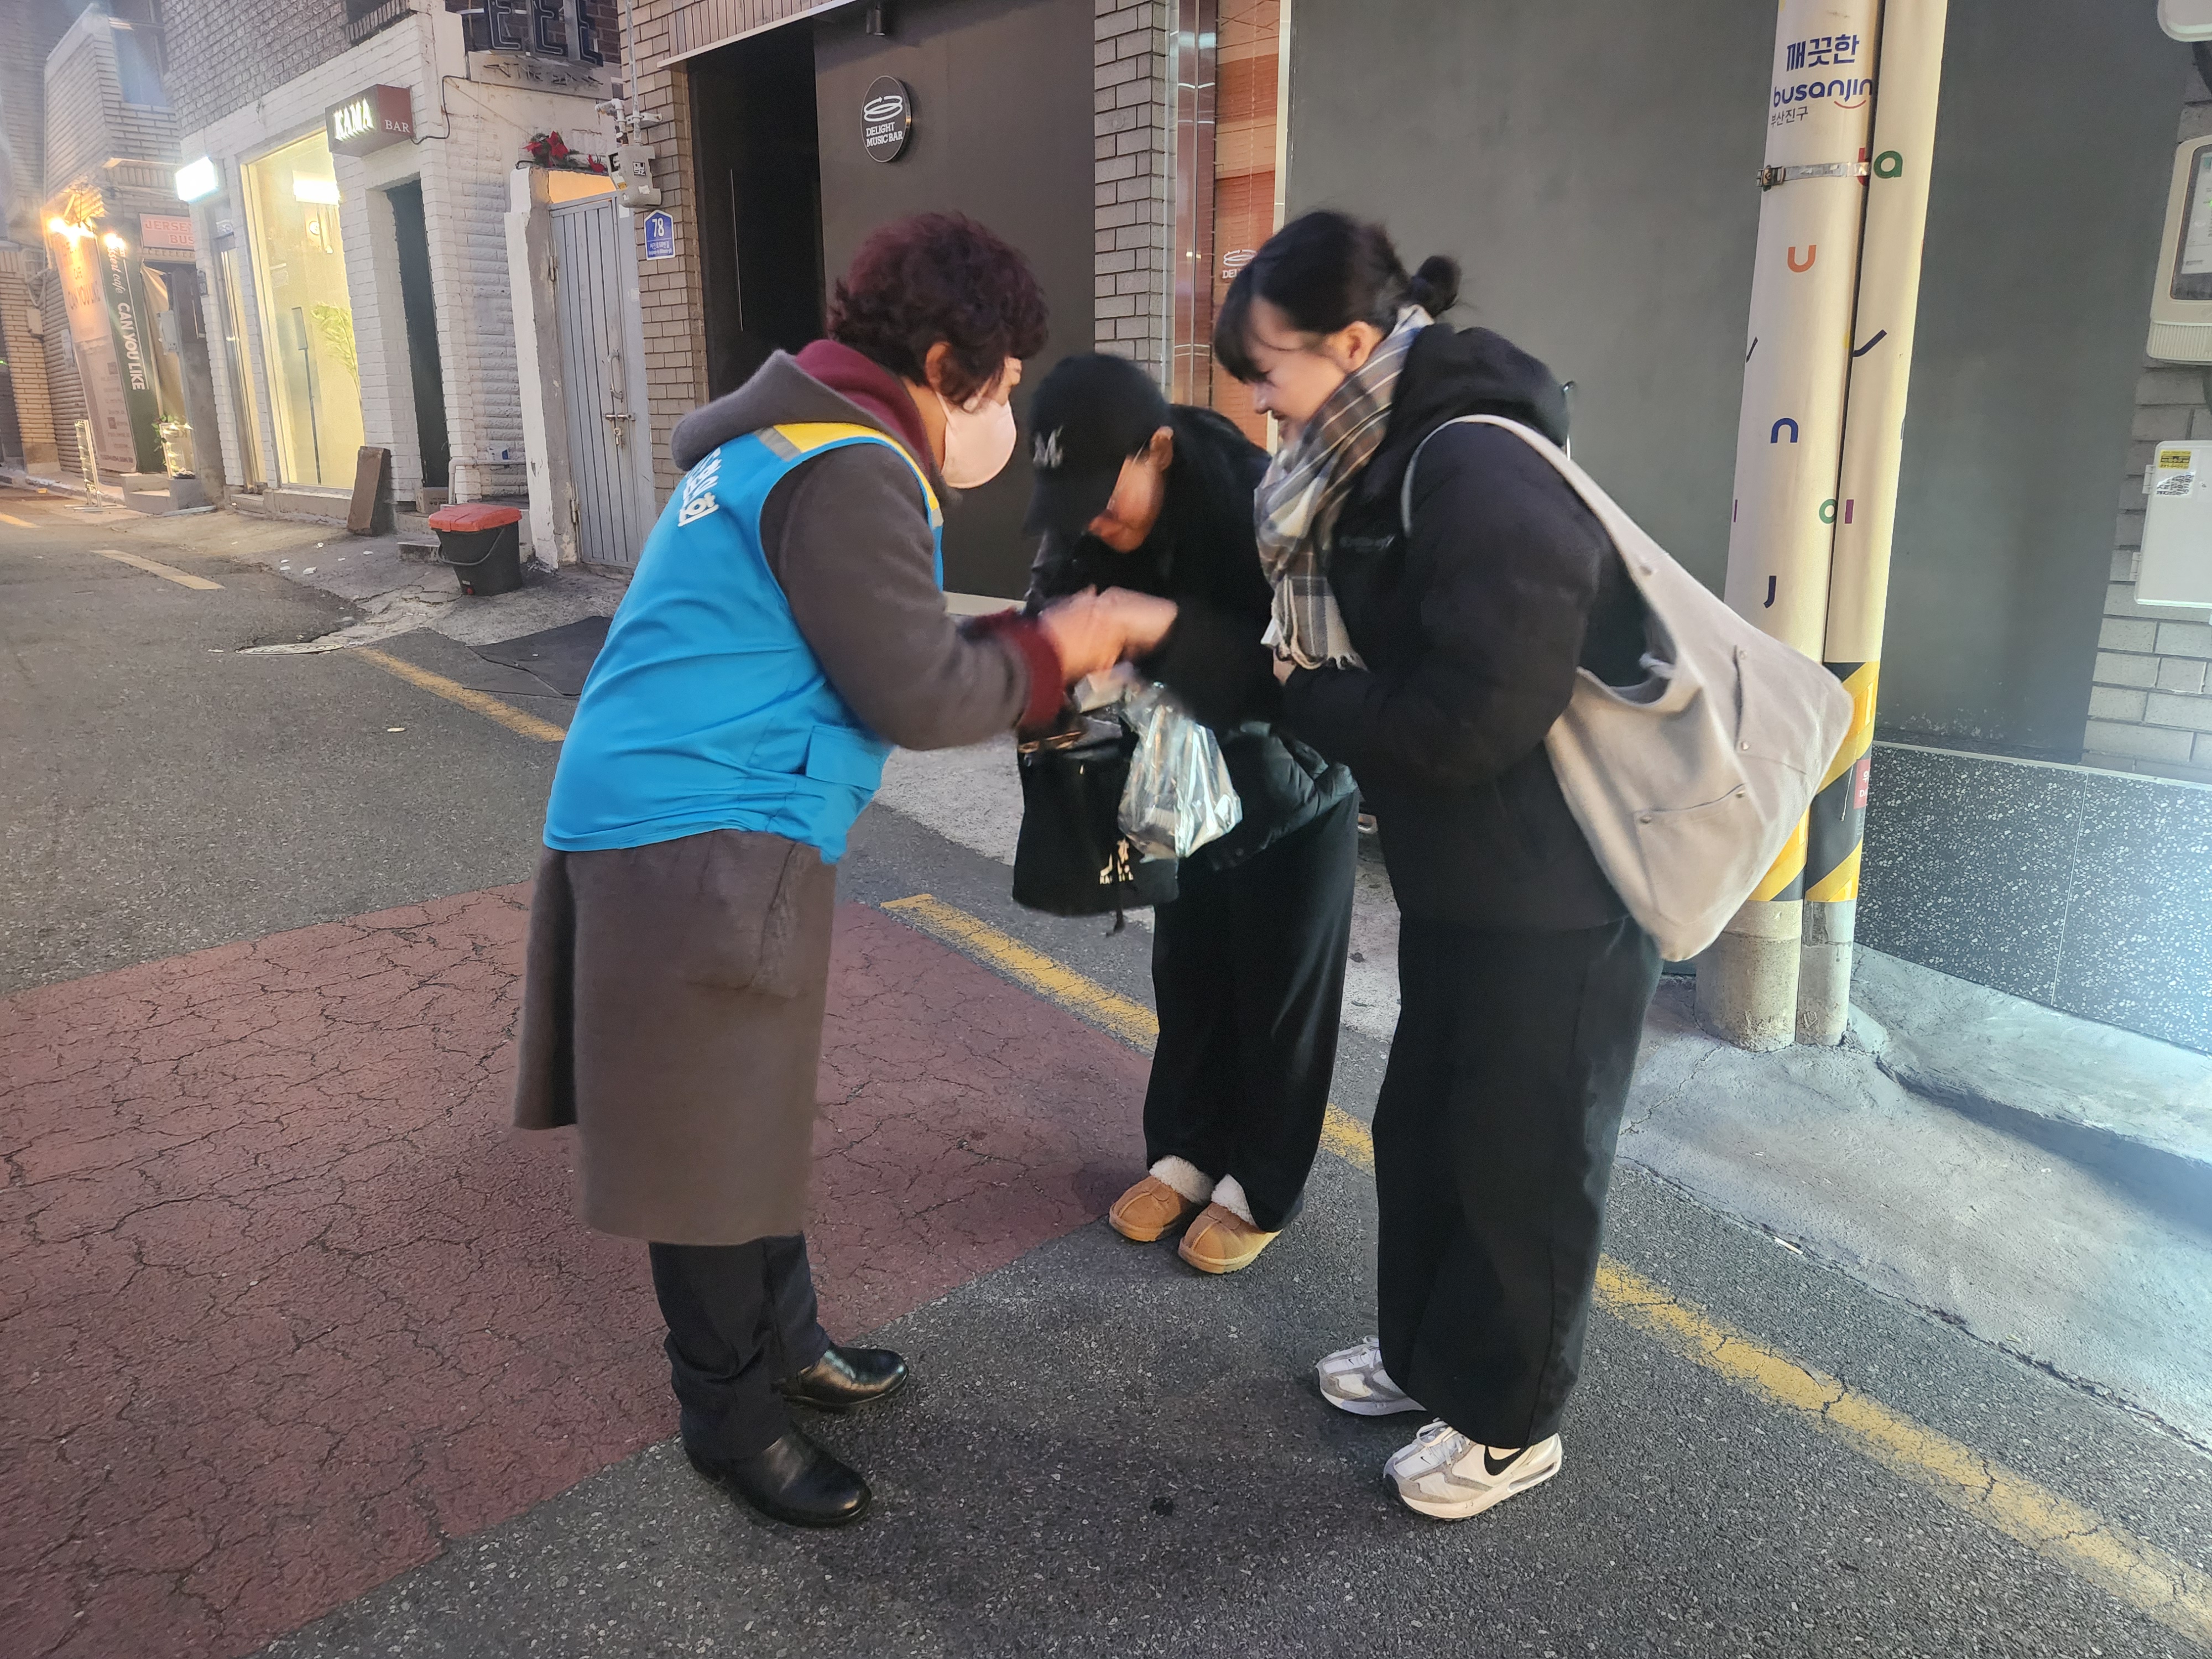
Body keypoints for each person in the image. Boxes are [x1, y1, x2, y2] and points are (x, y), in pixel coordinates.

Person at [512, 212, 1121, 1530]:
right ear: (946, 358)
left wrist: (1025, 645)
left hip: (694, 817)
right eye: (1001, 383)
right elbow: (915, 683)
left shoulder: (775, 441)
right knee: (706, 1144)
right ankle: (728, 1421)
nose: (1005, 410)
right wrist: (1063, 646)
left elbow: (882, 645)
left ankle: (788, 1347)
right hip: (700, 836)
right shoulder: (848, 465)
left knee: (745, 1116)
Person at [1109, 211, 1657, 1521]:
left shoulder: (1471, 463)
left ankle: (1512, 1424)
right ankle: (1429, 1362)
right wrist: (1161, 629)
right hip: (1469, 877)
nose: (1260, 400)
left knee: (1524, 1166)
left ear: (1353, 344)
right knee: (1430, 1132)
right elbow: (1332, 678)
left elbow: (1472, 716)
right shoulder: (1369, 458)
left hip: (1559, 887)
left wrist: (1310, 698)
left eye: (1270, 369)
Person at [1022, 354, 1359, 1275]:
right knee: (1190, 977)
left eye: (1104, 495)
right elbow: (1047, 612)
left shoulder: (1258, 507)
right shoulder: (1082, 527)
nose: (1090, 521)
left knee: (1280, 997)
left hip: (1294, 792)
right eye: (1071, 503)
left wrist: (1153, 626)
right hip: (1175, 800)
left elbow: (1296, 677)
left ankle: (1261, 1187)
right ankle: (1184, 1154)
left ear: (1159, 450)